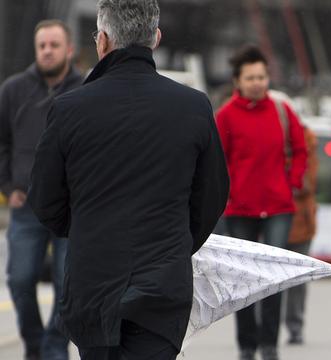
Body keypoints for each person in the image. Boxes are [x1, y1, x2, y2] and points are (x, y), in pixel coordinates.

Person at [27, 1, 229, 359]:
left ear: (102, 41)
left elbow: (44, 198)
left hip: (94, 283)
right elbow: (211, 195)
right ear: (156, 38)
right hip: (163, 285)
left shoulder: (70, 108)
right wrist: (178, 243)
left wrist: (84, 227)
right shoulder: (193, 106)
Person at [216, 45, 307, 360]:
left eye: (262, 77)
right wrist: (227, 192)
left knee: (272, 279)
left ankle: (269, 344)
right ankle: (246, 345)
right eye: (250, 77)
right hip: (240, 208)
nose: (257, 82)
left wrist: (294, 181)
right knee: (244, 282)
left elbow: (300, 148)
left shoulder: (282, 111)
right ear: (237, 81)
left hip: (279, 207)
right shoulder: (225, 115)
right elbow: (217, 160)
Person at [0, 19, 82, 360]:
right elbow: (1, 143)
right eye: (42, 46)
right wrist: (7, 185)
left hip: (72, 208)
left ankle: (53, 348)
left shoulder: (88, 88)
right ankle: (35, 345)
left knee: (68, 287)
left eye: (54, 45)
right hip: (26, 205)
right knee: (19, 280)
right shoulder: (13, 90)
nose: (47, 51)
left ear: (70, 49)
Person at [283, 122, 318, 346]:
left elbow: (307, 184)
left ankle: (295, 326)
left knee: (297, 278)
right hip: (263, 215)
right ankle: (262, 327)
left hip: (299, 218)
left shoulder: (307, 140)